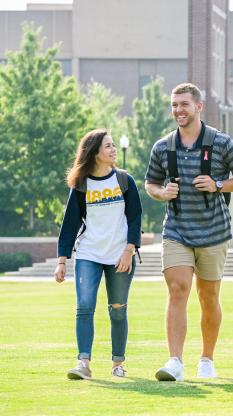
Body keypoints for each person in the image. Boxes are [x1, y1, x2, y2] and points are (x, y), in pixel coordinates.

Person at [145, 83, 233, 382]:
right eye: (174, 105)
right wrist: (161, 193)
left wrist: (219, 184)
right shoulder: (163, 147)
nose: (178, 110)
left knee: (208, 297)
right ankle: (175, 362)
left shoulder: (221, 143)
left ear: (198, 106)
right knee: (177, 289)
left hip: (213, 232)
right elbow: (151, 183)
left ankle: (207, 359)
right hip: (177, 230)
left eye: (184, 104)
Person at [56, 129, 142, 380]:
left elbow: (135, 219)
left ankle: (118, 364)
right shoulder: (81, 186)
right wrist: (61, 261)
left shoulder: (125, 181)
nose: (113, 150)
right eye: (108, 146)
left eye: (114, 145)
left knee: (118, 310)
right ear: (94, 152)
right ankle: (83, 363)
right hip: (89, 253)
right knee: (84, 306)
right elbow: (70, 224)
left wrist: (129, 251)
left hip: (120, 255)